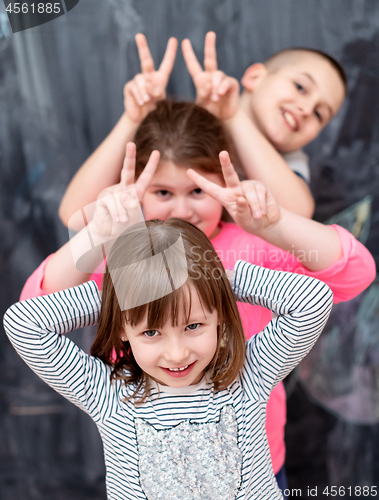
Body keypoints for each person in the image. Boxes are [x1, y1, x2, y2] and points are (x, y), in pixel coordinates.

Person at [20, 101, 376, 493]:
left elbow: (354, 273)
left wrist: (247, 251)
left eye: (196, 190)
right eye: (162, 192)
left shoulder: (253, 245)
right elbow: (36, 309)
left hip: (256, 462)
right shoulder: (125, 257)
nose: (183, 208)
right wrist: (121, 282)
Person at [6, 211, 336, 499]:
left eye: (193, 326)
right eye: (151, 332)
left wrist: (216, 284)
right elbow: (24, 324)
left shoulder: (249, 374)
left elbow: (312, 301)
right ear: (124, 328)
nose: (177, 353)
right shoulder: (106, 392)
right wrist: (120, 298)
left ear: (219, 313)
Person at [57, 32, 346, 225]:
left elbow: (297, 213)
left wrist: (234, 116)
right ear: (255, 76)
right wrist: (134, 119)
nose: (306, 109)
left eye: (320, 114)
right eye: (300, 87)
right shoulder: (186, 129)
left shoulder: (291, 163)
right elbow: (73, 214)